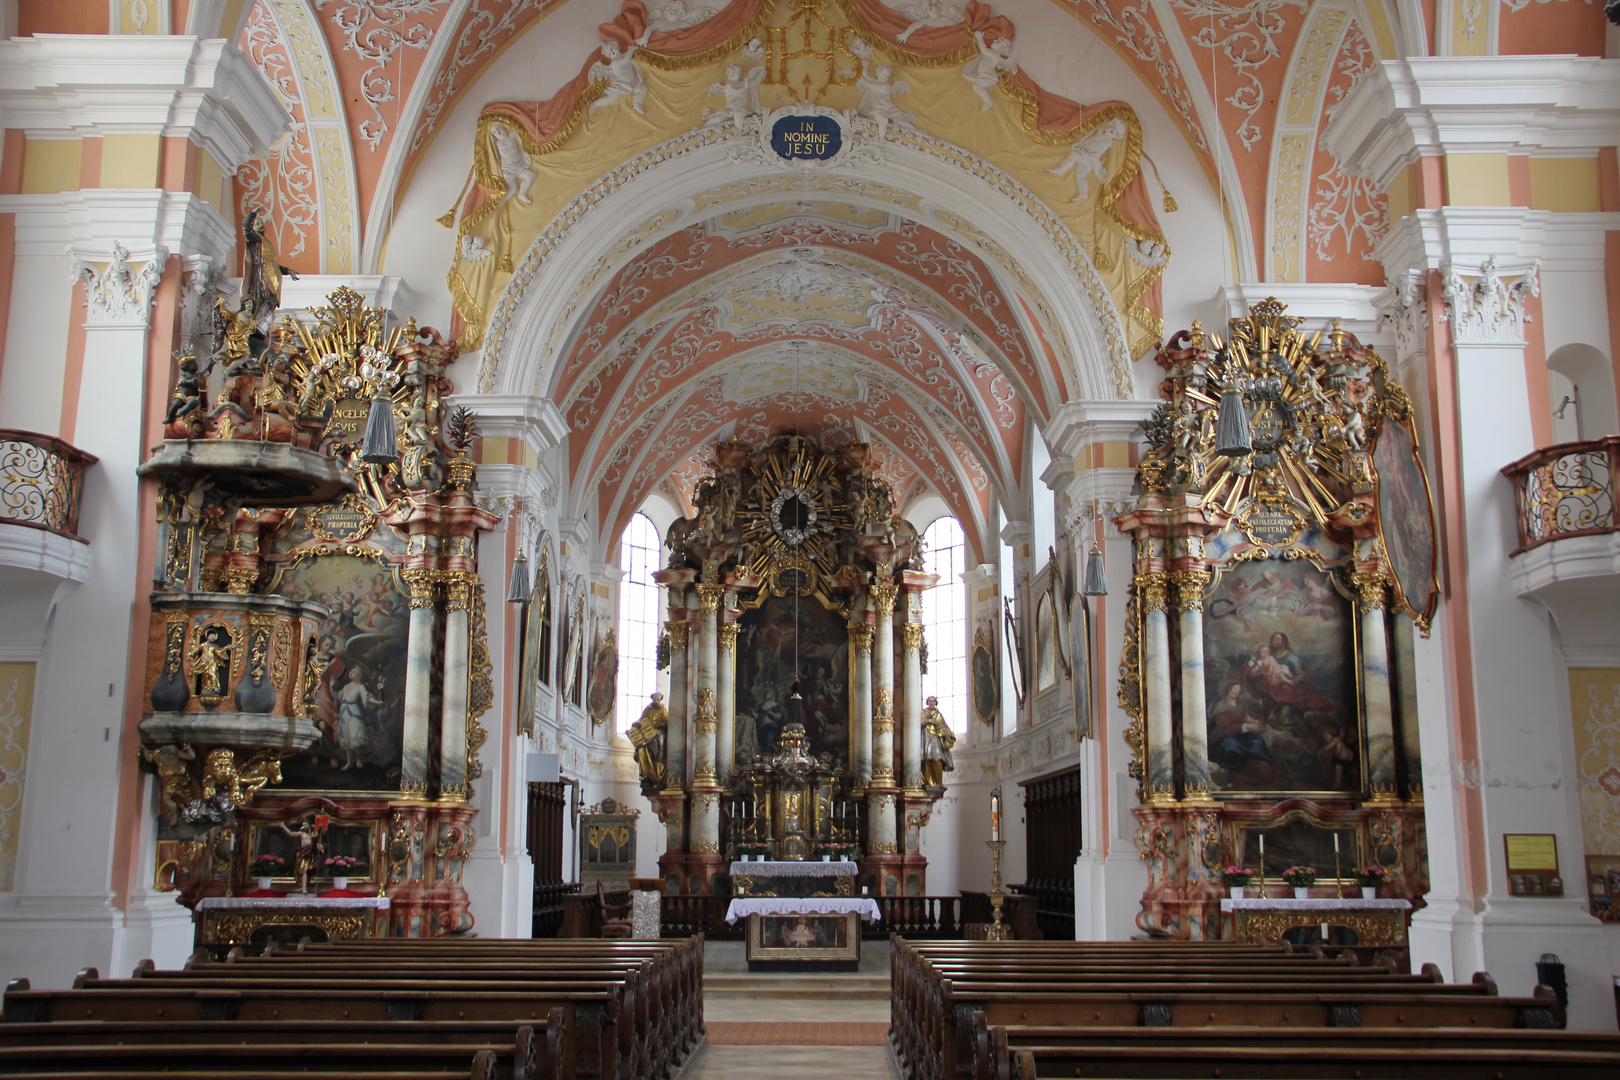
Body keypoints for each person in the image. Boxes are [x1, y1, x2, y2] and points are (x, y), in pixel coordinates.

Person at [334, 667, 380, 771]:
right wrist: (332, 686)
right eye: (350, 671)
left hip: (354, 712)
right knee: (346, 737)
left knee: (354, 736)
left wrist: (377, 702)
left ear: (358, 675)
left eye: (353, 672)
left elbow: (367, 697)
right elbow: (338, 697)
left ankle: (359, 759)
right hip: (344, 713)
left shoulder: (360, 687)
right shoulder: (345, 687)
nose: (351, 673)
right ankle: (349, 762)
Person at [628, 691, 669, 790]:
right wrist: (636, 724)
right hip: (648, 735)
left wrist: (661, 725)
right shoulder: (648, 710)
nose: (656, 702)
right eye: (655, 700)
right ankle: (647, 774)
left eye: (658, 700)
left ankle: (659, 778)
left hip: (659, 734)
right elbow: (642, 720)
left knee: (659, 756)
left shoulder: (663, 710)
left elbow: (667, 721)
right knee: (641, 749)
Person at [919, 696, 956, 789]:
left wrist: (947, 738)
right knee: (926, 759)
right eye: (930, 701)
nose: (932, 703)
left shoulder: (938, 714)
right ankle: (927, 781)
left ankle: (938, 782)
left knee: (937, 758)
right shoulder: (923, 712)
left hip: (935, 737)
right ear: (927, 702)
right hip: (925, 737)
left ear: (936, 703)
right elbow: (919, 722)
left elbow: (943, 726)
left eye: (933, 701)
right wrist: (929, 721)